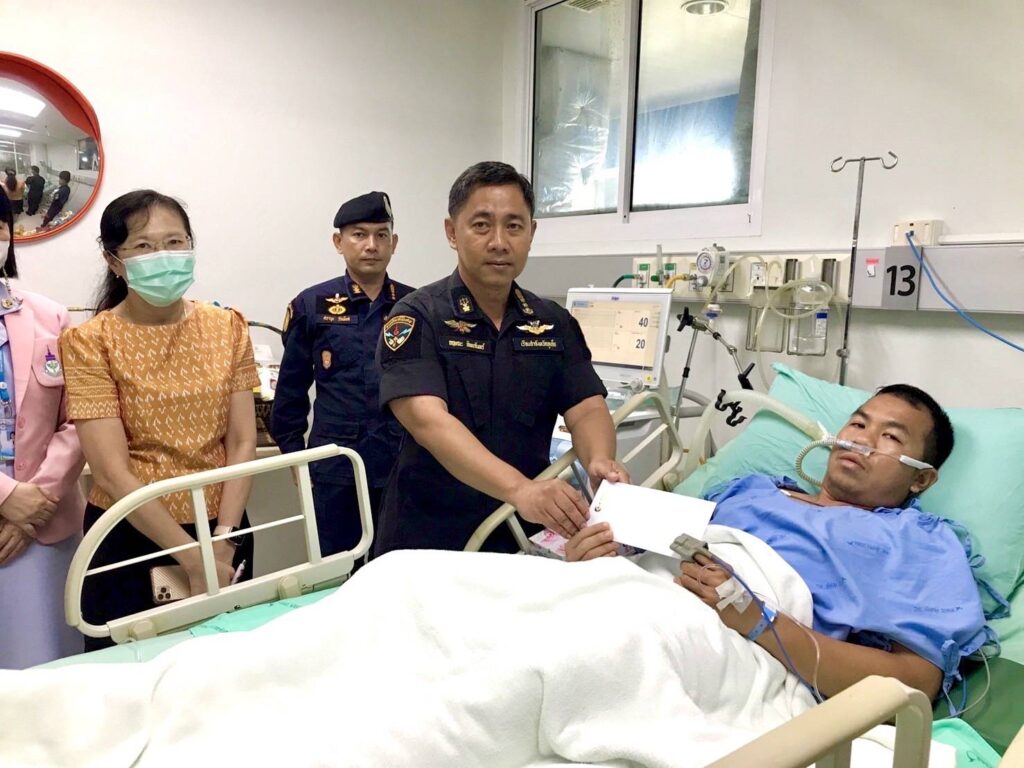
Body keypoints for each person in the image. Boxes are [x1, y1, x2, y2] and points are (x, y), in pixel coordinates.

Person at [567, 385, 991, 702]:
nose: (861, 440)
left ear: (921, 478)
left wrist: (760, 621)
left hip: (726, 647)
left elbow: (916, 680)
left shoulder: (919, 541)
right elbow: (664, 551)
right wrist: (600, 555)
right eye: (858, 424)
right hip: (637, 596)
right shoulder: (750, 490)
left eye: (891, 438)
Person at [373, 161, 628, 557]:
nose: (499, 242)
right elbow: (428, 421)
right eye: (481, 225)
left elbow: (587, 408)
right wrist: (521, 490)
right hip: (430, 536)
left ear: (531, 232)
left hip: (522, 535)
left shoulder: (553, 322)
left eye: (514, 226)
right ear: (451, 232)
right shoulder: (417, 317)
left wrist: (599, 460)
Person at [60, 190, 259, 651]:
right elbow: (111, 471)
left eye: (174, 242)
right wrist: (192, 558)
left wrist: (224, 540)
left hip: (224, 530)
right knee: (134, 672)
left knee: (224, 661)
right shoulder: (89, 342)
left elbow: (241, 441)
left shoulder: (228, 326)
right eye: (144, 246)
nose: (163, 256)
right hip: (131, 533)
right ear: (114, 261)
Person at [270, 192, 413, 557]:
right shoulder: (312, 304)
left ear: (394, 243)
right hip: (334, 465)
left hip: (400, 463)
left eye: (381, 235)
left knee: (396, 566)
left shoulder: (415, 306)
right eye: (359, 234)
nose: (371, 245)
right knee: (335, 571)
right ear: (339, 242)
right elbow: (290, 393)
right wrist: (295, 457)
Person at [0, 193, 86, 668]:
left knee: (49, 667)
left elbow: (79, 420)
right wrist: (6, 497)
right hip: (17, 508)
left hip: (44, 525)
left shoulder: (50, 317)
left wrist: (33, 503)